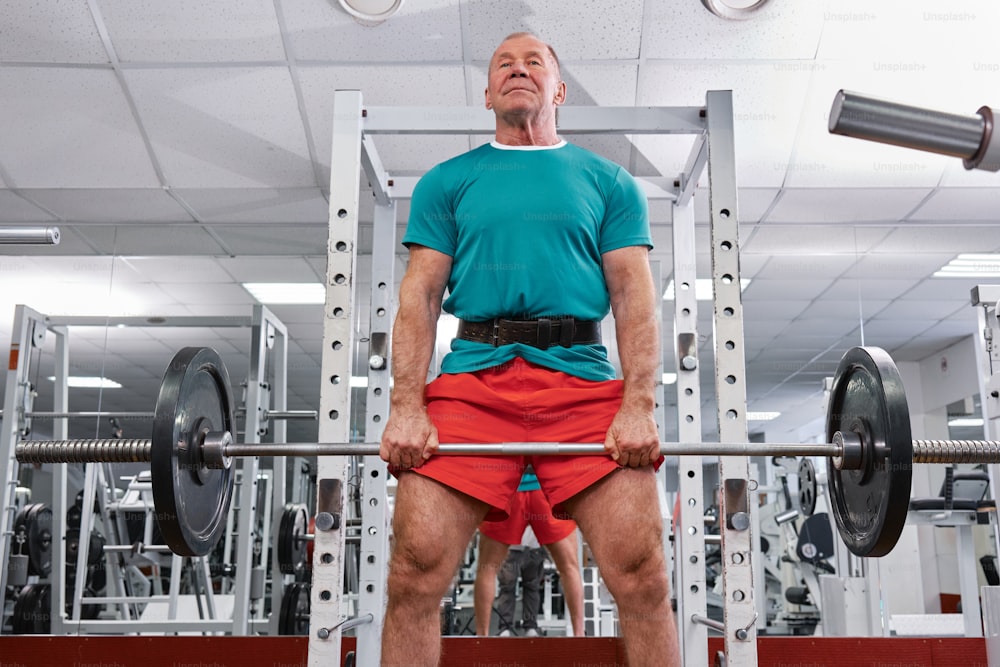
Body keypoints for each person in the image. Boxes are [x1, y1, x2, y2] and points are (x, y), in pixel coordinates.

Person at [379, 31, 680, 667]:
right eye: (504, 66)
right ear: (488, 93)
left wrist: (640, 403)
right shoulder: (446, 182)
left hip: (580, 381)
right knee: (412, 572)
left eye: (534, 62)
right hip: (472, 380)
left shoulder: (610, 181)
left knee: (644, 575)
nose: (518, 70)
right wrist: (406, 405)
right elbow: (420, 296)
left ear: (559, 89)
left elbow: (633, 297)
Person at [473, 468, 584, 637]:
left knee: (490, 570)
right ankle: (579, 636)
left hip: (510, 489)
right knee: (569, 568)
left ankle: (482, 638)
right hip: (543, 488)